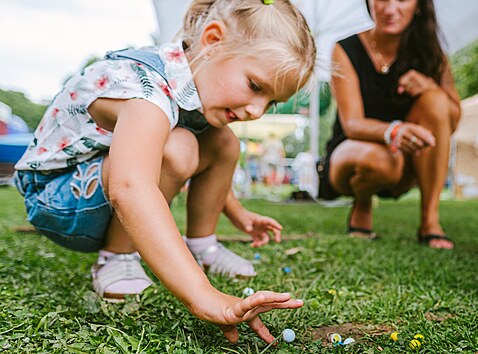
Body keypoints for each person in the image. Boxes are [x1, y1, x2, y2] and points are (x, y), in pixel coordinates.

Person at [12, 0, 315, 344]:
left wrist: (237, 213)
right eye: (256, 86)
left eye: (271, 102)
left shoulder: (192, 85)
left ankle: (203, 247)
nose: (257, 110)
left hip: (93, 190)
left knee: (223, 141)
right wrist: (203, 295)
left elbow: (202, 154)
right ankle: (118, 257)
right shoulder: (146, 92)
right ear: (213, 40)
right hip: (57, 199)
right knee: (180, 146)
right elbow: (130, 186)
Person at [318, 0, 461, 248]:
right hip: (353, 153)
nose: (390, 8)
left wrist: (430, 87)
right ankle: (362, 201)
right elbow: (352, 124)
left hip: (405, 162)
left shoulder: (431, 53)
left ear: (418, 5)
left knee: (437, 99)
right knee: (380, 160)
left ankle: (430, 220)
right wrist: (394, 130)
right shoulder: (345, 49)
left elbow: (452, 120)